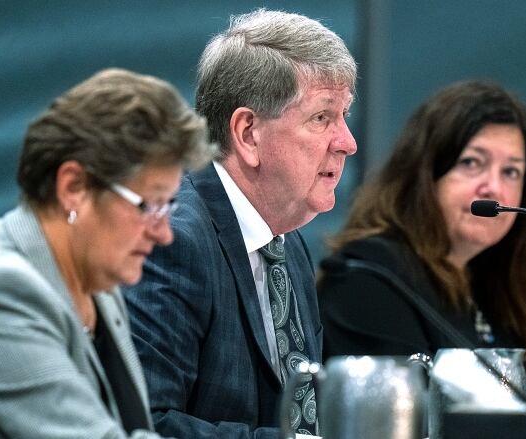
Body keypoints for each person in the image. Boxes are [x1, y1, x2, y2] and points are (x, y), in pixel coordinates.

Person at [0, 68, 215, 438]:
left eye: (167, 207)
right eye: (149, 206)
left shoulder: (94, 280)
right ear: (73, 187)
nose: (164, 233)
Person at [123, 8, 357, 438]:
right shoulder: (172, 238)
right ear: (248, 133)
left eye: (344, 115)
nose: (347, 142)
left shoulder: (288, 242)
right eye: (322, 117)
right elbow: (145, 425)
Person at [318, 80, 526, 398]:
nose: (494, 187)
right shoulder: (369, 278)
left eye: (511, 172)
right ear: (423, 176)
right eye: (472, 163)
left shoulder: (503, 288)